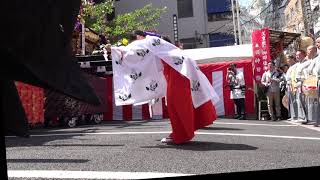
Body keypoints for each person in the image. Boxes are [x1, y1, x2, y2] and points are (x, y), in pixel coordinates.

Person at [105, 30, 219, 144]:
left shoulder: (147, 41)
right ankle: (181, 132)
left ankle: (181, 135)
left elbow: (131, 52)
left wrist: (113, 49)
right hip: (180, 67)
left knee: (177, 102)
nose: (133, 43)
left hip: (179, 69)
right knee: (179, 101)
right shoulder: (153, 40)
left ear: (139, 36)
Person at [285, 54, 299, 121]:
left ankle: (296, 115)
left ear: (293, 59)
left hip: (293, 85)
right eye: (287, 59)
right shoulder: (290, 67)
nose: (288, 60)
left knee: (294, 101)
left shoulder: (296, 66)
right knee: (290, 101)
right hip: (288, 85)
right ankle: (292, 115)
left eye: (289, 59)